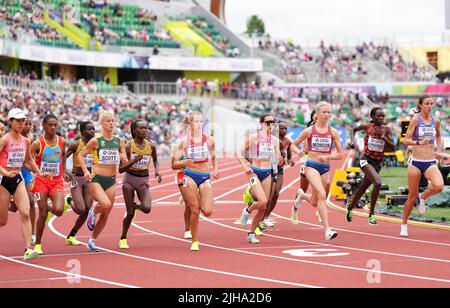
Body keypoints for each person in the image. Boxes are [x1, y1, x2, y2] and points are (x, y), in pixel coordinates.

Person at [291, 102, 343, 240]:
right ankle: (327, 230)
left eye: (329, 112)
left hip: (325, 168)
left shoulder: (333, 132)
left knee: (315, 201)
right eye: (324, 112)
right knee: (321, 193)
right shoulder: (309, 131)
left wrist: (328, 156)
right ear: (318, 114)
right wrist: (299, 152)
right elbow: (292, 145)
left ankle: (301, 195)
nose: (327, 115)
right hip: (311, 166)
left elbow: (340, 154)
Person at [79, 110, 128, 252]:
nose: (111, 123)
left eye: (113, 120)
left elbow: (124, 156)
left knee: (106, 212)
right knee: (104, 204)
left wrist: (124, 158)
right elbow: (81, 156)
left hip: (111, 180)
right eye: (108, 121)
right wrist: (86, 171)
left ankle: (92, 241)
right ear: (101, 124)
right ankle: (93, 212)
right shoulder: (95, 141)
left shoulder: (120, 141)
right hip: (97, 178)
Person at [172, 111, 219, 251]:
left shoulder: (209, 140)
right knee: (195, 210)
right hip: (190, 175)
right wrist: (183, 163)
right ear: (189, 124)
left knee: (208, 211)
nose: (199, 124)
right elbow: (173, 165)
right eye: (196, 121)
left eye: (201, 121)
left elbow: (214, 156)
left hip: (205, 176)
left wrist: (216, 169)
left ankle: (198, 197)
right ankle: (195, 240)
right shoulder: (183, 142)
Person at [0, 109, 42, 261]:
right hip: (2, 181)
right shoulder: (4, 140)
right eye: (17, 121)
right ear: (10, 122)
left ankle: (28, 250)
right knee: (2, 221)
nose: (21, 123)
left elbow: (29, 161)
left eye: (23, 120)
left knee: (25, 212)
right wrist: (4, 172)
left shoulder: (26, 141)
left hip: (17, 179)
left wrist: (40, 172)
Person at [401, 96, 445, 237]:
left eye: (432, 103)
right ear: (420, 105)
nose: (430, 106)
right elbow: (405, 140)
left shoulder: (435, 121)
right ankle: (404, 224)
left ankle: (423, 196)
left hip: (430, 161)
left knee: (439, 186)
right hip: (416, 162)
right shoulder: (415, 120)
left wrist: (439, 149)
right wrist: (419, 142)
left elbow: (438, 136)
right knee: (411, 197)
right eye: (427, 103)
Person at [347, 107, 395, 225]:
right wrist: (352, 141)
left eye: (383, 116)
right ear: (372, 117)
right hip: (366, 160)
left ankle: (350, 207)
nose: (382, 118)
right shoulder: (367, 127)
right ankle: (372, 213)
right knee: (377, 183)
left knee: (363, 187)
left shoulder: (386, 130)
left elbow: (393, 147)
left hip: (377, 163)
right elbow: (353, 129)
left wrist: (383, 137)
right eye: (379, 116)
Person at [30, 114, 71, 255]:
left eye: (55, 125)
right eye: (50, 125)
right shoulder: (37, 143)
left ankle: (46, 206)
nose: (53, 127)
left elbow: (63, 155)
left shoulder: (62, 141)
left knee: (59, 211)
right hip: (41, 182)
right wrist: (36, 172)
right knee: (42, 214)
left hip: (56, 181)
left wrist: (64, 170)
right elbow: (27, 160)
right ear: (44, 126)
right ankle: (37, 245)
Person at [118, 120, 161, 249]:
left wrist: (157, 171)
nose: (144, 130)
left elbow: (155, 159)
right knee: (129, 213)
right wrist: (133, 161)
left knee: (147, 208)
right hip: (129, 180)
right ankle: (123, 238)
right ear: (134, 130)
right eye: (141, 128)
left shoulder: (151, 146)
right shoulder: (128, 146)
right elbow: (121, 169)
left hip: (143, 180)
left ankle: (136, 206)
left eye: (146, 128)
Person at [238, 114, 281, 244]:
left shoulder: (274, 140)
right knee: (262, 200)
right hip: (254, 172)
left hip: (267, 173)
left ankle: (251, 233)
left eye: (273, 122)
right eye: (268, 122)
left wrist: (278, 160)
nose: (271, 125)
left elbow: (277, 157)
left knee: (263, 205)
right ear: (261, 123)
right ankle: (248, 209)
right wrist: (245, 165)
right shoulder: (254, 137)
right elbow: (239, 152)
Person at [64, 121, 96, 246]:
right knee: (80, 209)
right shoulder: (76, 144)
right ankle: (69, 200)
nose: (93, 131)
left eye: (93, 129)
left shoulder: (95, 145)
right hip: (76, 179)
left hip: (88, 179)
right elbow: (63, 157)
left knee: (87, 210)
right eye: (89, 129)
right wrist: (65, 171)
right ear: (83, 132)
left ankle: (71, 235)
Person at [171, 116, 192, 240]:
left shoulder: (199, 143)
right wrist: (185, 163)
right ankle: (187, 229)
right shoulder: (177, 145)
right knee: (189, 204)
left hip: (196, 174)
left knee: (197, 205)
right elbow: (174, 165)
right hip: (182, 174)